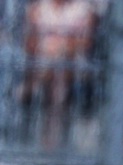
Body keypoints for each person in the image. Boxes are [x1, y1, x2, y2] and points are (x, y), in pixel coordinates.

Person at [27, 0, 96, 149]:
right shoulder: (37, 8)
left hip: (73, 63)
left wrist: (60, 49)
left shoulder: (84, 9)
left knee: (59, 70)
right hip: (42, 60)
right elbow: (30, 42)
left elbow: (85, 42)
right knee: (55, 73)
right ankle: (52, 139)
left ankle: (50, 142)